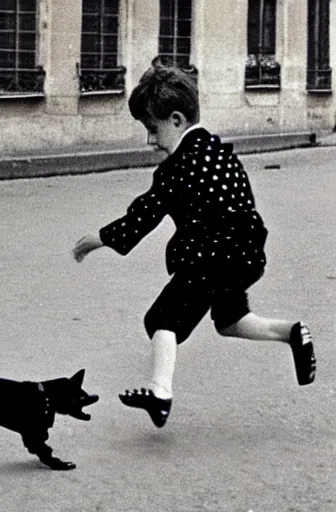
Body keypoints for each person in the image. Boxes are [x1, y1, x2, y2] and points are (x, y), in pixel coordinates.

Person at [72, 62, 316, 428]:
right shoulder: (222, 152)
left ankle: (160, 391)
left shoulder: (179, 166)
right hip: (244, 252)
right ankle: (292, 332)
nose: (151, 141)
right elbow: (243, 202)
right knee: (230, 320)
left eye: (152, 130)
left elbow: (146, 212)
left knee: (161, 319)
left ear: (176, 120)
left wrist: (99, 239)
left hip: (208, 256)